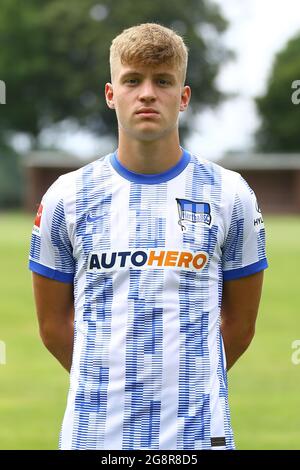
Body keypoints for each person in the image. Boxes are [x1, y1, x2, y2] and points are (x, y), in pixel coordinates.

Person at [29, 23, 268, 450]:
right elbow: (51, 325)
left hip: (197, 438)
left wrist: (187, 383)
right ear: (110, 94)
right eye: (132, 80)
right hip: (94, 435)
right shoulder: (67, 195)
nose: (147, 94)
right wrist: (107, 383)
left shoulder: (231, 193)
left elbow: (241, 325)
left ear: (184, 97)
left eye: (163, 81)